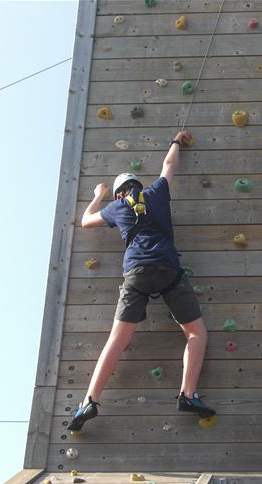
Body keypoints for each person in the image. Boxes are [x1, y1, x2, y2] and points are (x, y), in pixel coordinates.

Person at [67, 130, 215, 432]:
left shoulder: (116, 207)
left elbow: (85, 221)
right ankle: (188, 395)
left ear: (121, 192)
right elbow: (168, 166)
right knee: (196, 334)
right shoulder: (156, 193)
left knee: (117, 340)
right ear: (137, 186)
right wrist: (175, 141)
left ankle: (89, 402)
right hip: (168, 270)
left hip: (136, 272)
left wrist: (98, 195)